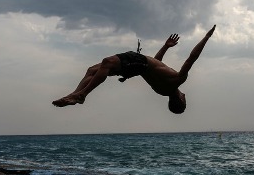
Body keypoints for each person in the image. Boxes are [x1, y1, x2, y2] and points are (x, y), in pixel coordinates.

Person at [52, 25, 216, 114]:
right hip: (137, 67)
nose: (186, 96)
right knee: (93, 69)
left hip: (138, 62)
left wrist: (206, 37)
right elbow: (156, 64)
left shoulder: (178, 80)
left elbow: (191, 58)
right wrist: (165, 47)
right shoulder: (162, 90)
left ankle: (81, 95)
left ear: (181, 100)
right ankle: (75, 94)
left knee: (106, 63)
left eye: (185, 99)